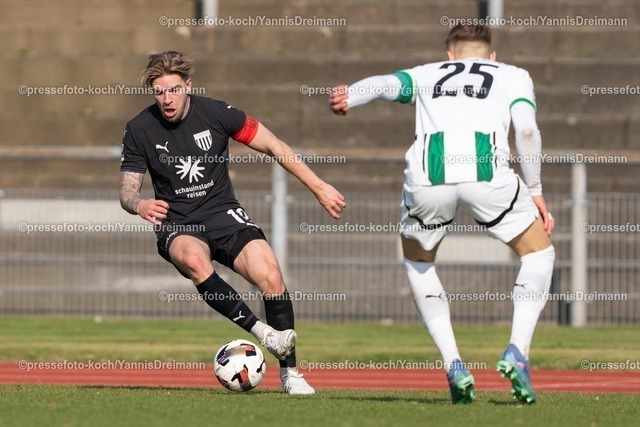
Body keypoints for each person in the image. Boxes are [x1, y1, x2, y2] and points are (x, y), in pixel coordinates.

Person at [329, 24, 555, 404]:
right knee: (538, 253)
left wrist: (350, 95)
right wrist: (535, 189)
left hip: (428, 177)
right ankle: (518, 351)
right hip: (487, 175)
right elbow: (527, 132)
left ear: (450, 56)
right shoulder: (513, 75)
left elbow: (383, 84)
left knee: (419, 264)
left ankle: (453, 364)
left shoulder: (427, 73)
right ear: (492, 56)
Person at [120, 51, 346, 395]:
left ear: (188, 86)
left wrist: (319, 187)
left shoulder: (217, 113)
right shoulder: (139, 128)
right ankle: (263, 333)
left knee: (271, 276)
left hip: (222, 213)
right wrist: (140, 204)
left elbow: (274, 146)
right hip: (178, 223)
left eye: (174, 90)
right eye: (159, 92)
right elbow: (127, 190)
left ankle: (290, 374)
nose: (167, 99)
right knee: (195, 259)